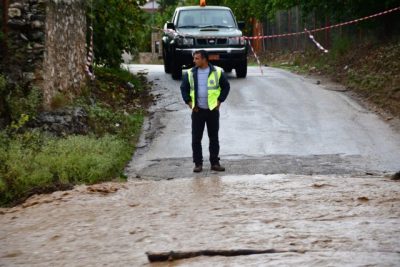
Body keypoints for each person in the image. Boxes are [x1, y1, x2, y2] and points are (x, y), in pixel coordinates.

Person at [180, 50, 230, 172]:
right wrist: (189, 103)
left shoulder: (217, 72)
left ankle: (215, 163)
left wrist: (219, 101)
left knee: (213, 138)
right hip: (197, 111)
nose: (194, 61)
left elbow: (226, 87)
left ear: (204, 59)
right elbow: (184, 88)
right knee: (196, 139)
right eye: (194, 58)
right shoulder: (190, 73)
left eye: (197, 58)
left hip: (212, 110)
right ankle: (198, 164)